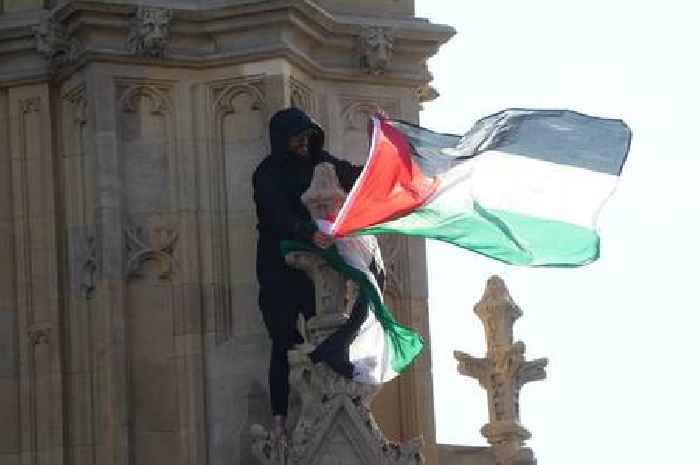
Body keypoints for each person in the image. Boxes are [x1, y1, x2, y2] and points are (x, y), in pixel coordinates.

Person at [252, 107, 362, 440]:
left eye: (307, 137)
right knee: (284, 336)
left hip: (318, 264)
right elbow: (275, 214)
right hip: (279, 266)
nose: (304, 143)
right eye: (298, 138)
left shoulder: (319, 161)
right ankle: (280, 419)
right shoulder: (267, 173)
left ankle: (338, 405)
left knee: (329, 330)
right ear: (283, 140)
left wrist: (379, 158)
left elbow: (351, 175)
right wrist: (306, 231)